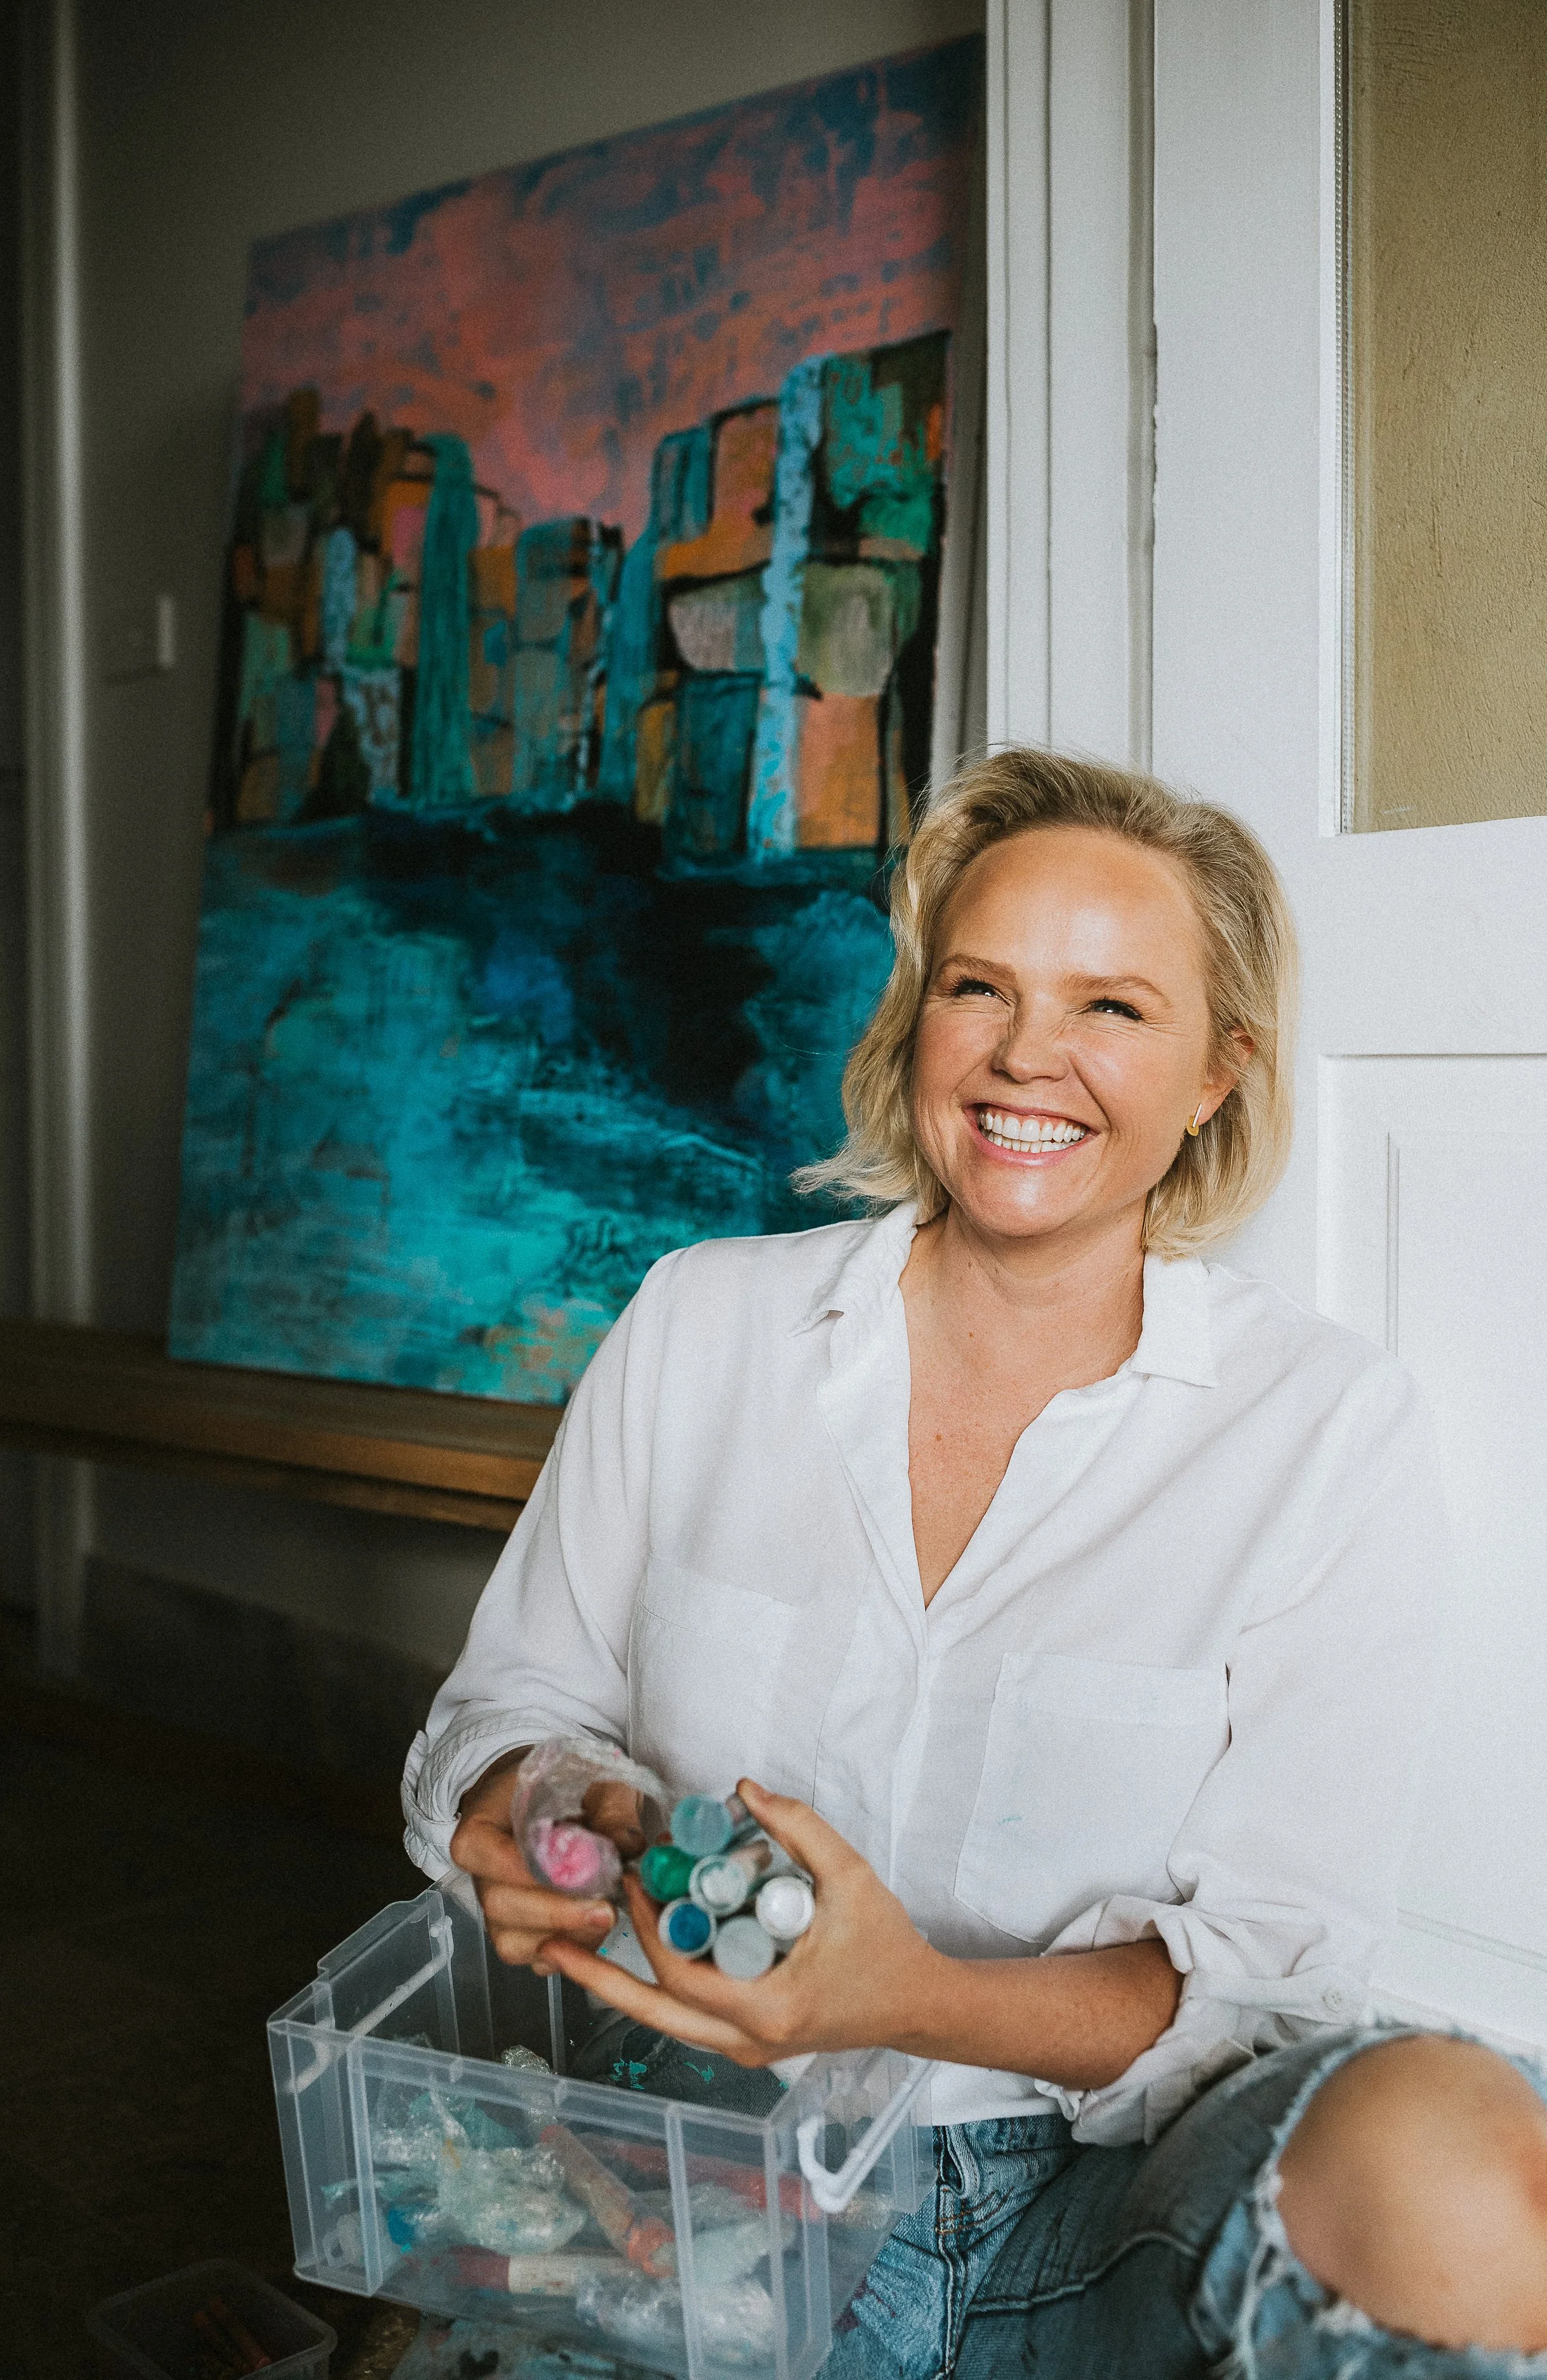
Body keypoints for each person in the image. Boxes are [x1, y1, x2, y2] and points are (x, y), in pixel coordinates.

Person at [404, 749, 1547, 2375]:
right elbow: (501, 1708)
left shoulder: (1322, 1429)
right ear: (915, 1021)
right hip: (701, 2170)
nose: (1027, 1056)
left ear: (1216, 1071)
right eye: (979, 987)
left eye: (1112, 1009)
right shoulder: (700, 1326)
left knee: (1467, 2149)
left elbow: (1269, 1978)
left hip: (1085, 2205)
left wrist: (903, 1995)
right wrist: (551, 1807)